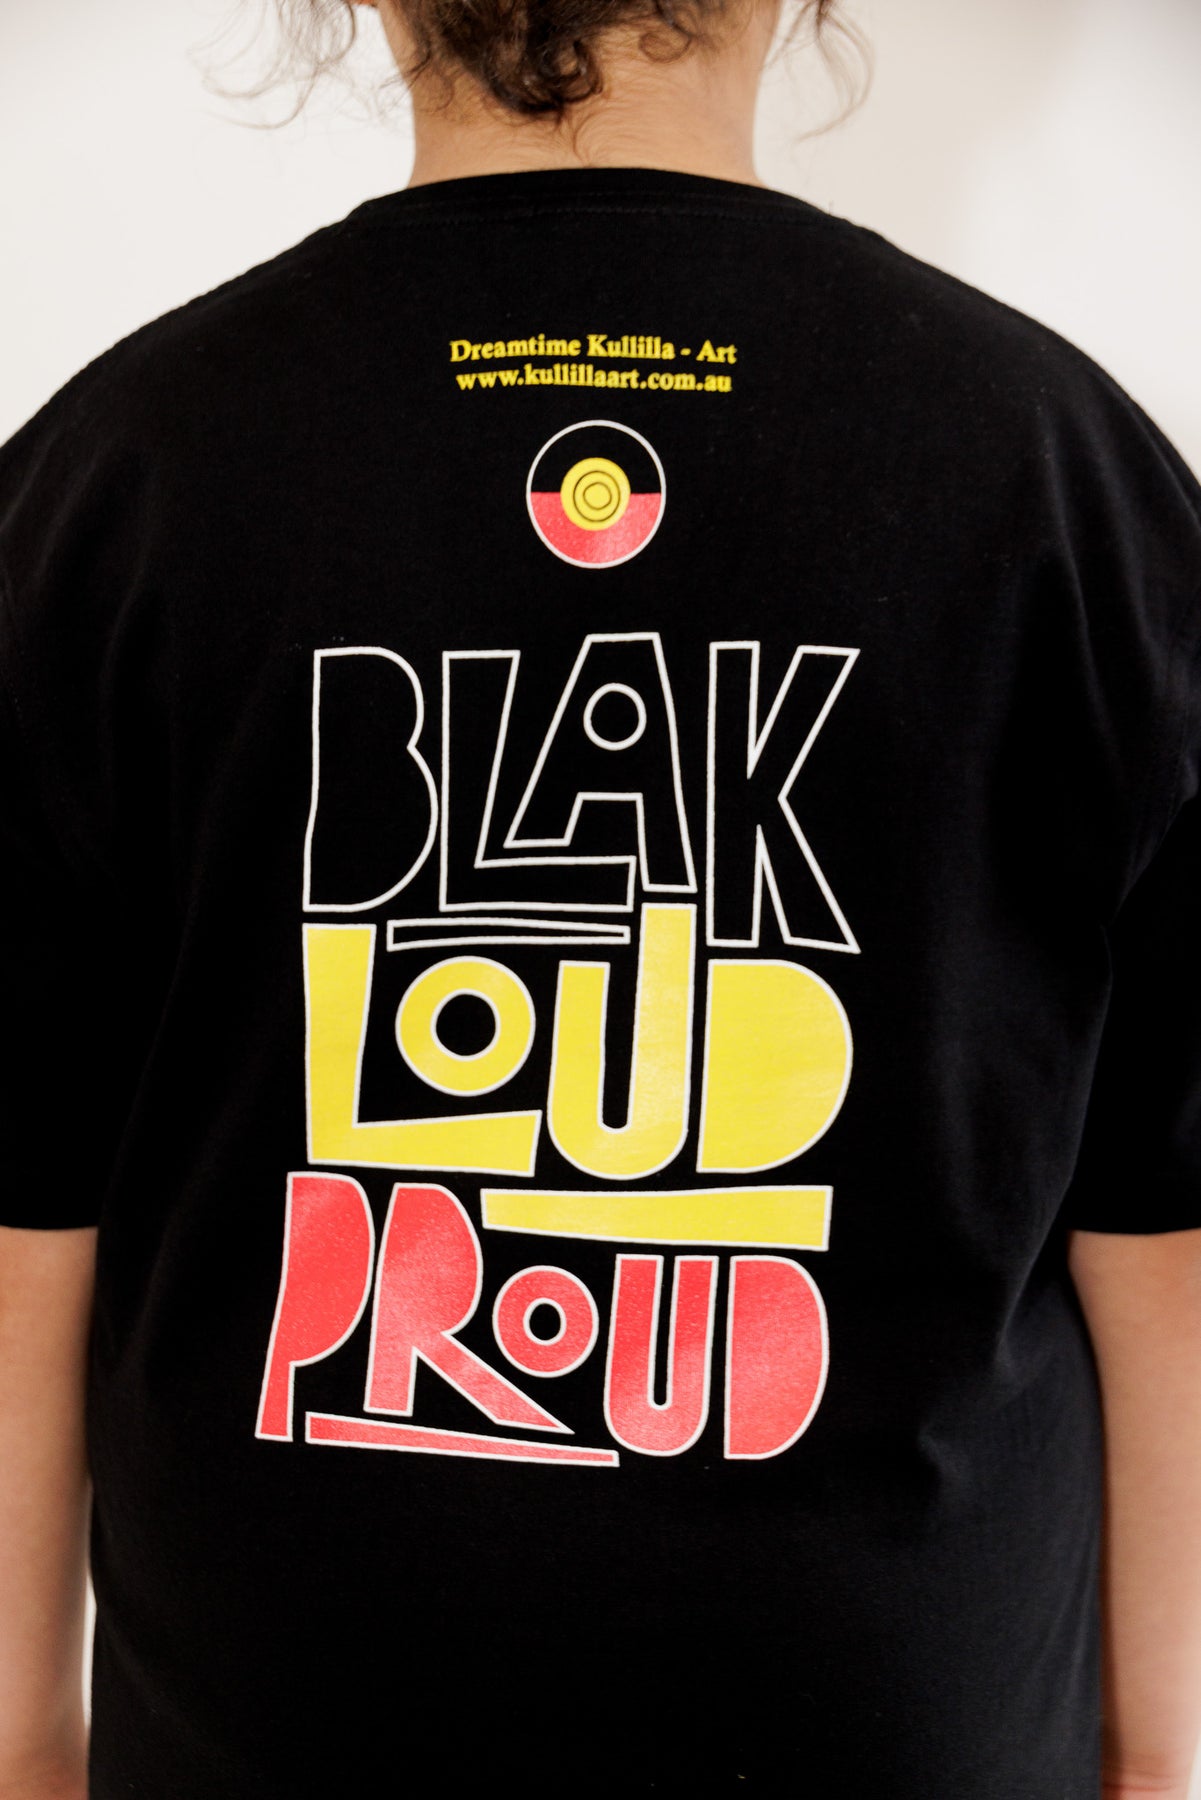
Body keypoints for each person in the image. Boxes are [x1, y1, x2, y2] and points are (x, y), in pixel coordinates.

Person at [1, 0, 1200, 1793]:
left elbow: (23, 1231)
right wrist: (1154, 1760)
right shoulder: (1066, 475)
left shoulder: (112, 477)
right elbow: (1162, 1239)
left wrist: (25, 1747)